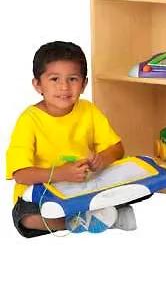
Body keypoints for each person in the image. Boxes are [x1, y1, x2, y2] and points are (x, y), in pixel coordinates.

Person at [5, 41, 137, 238]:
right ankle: (90, 219)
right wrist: (60, 173)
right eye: (54, 79)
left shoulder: (88, 110)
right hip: (43, 196)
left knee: (137, 185)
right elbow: (20, 174)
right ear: (37, 85)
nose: (64, 87)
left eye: (73, 79)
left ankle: (98, 214)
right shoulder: (29, 120)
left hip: (84, 188)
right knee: (25, 218)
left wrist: (101, 159)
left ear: (84, 84)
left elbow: (117, 148)